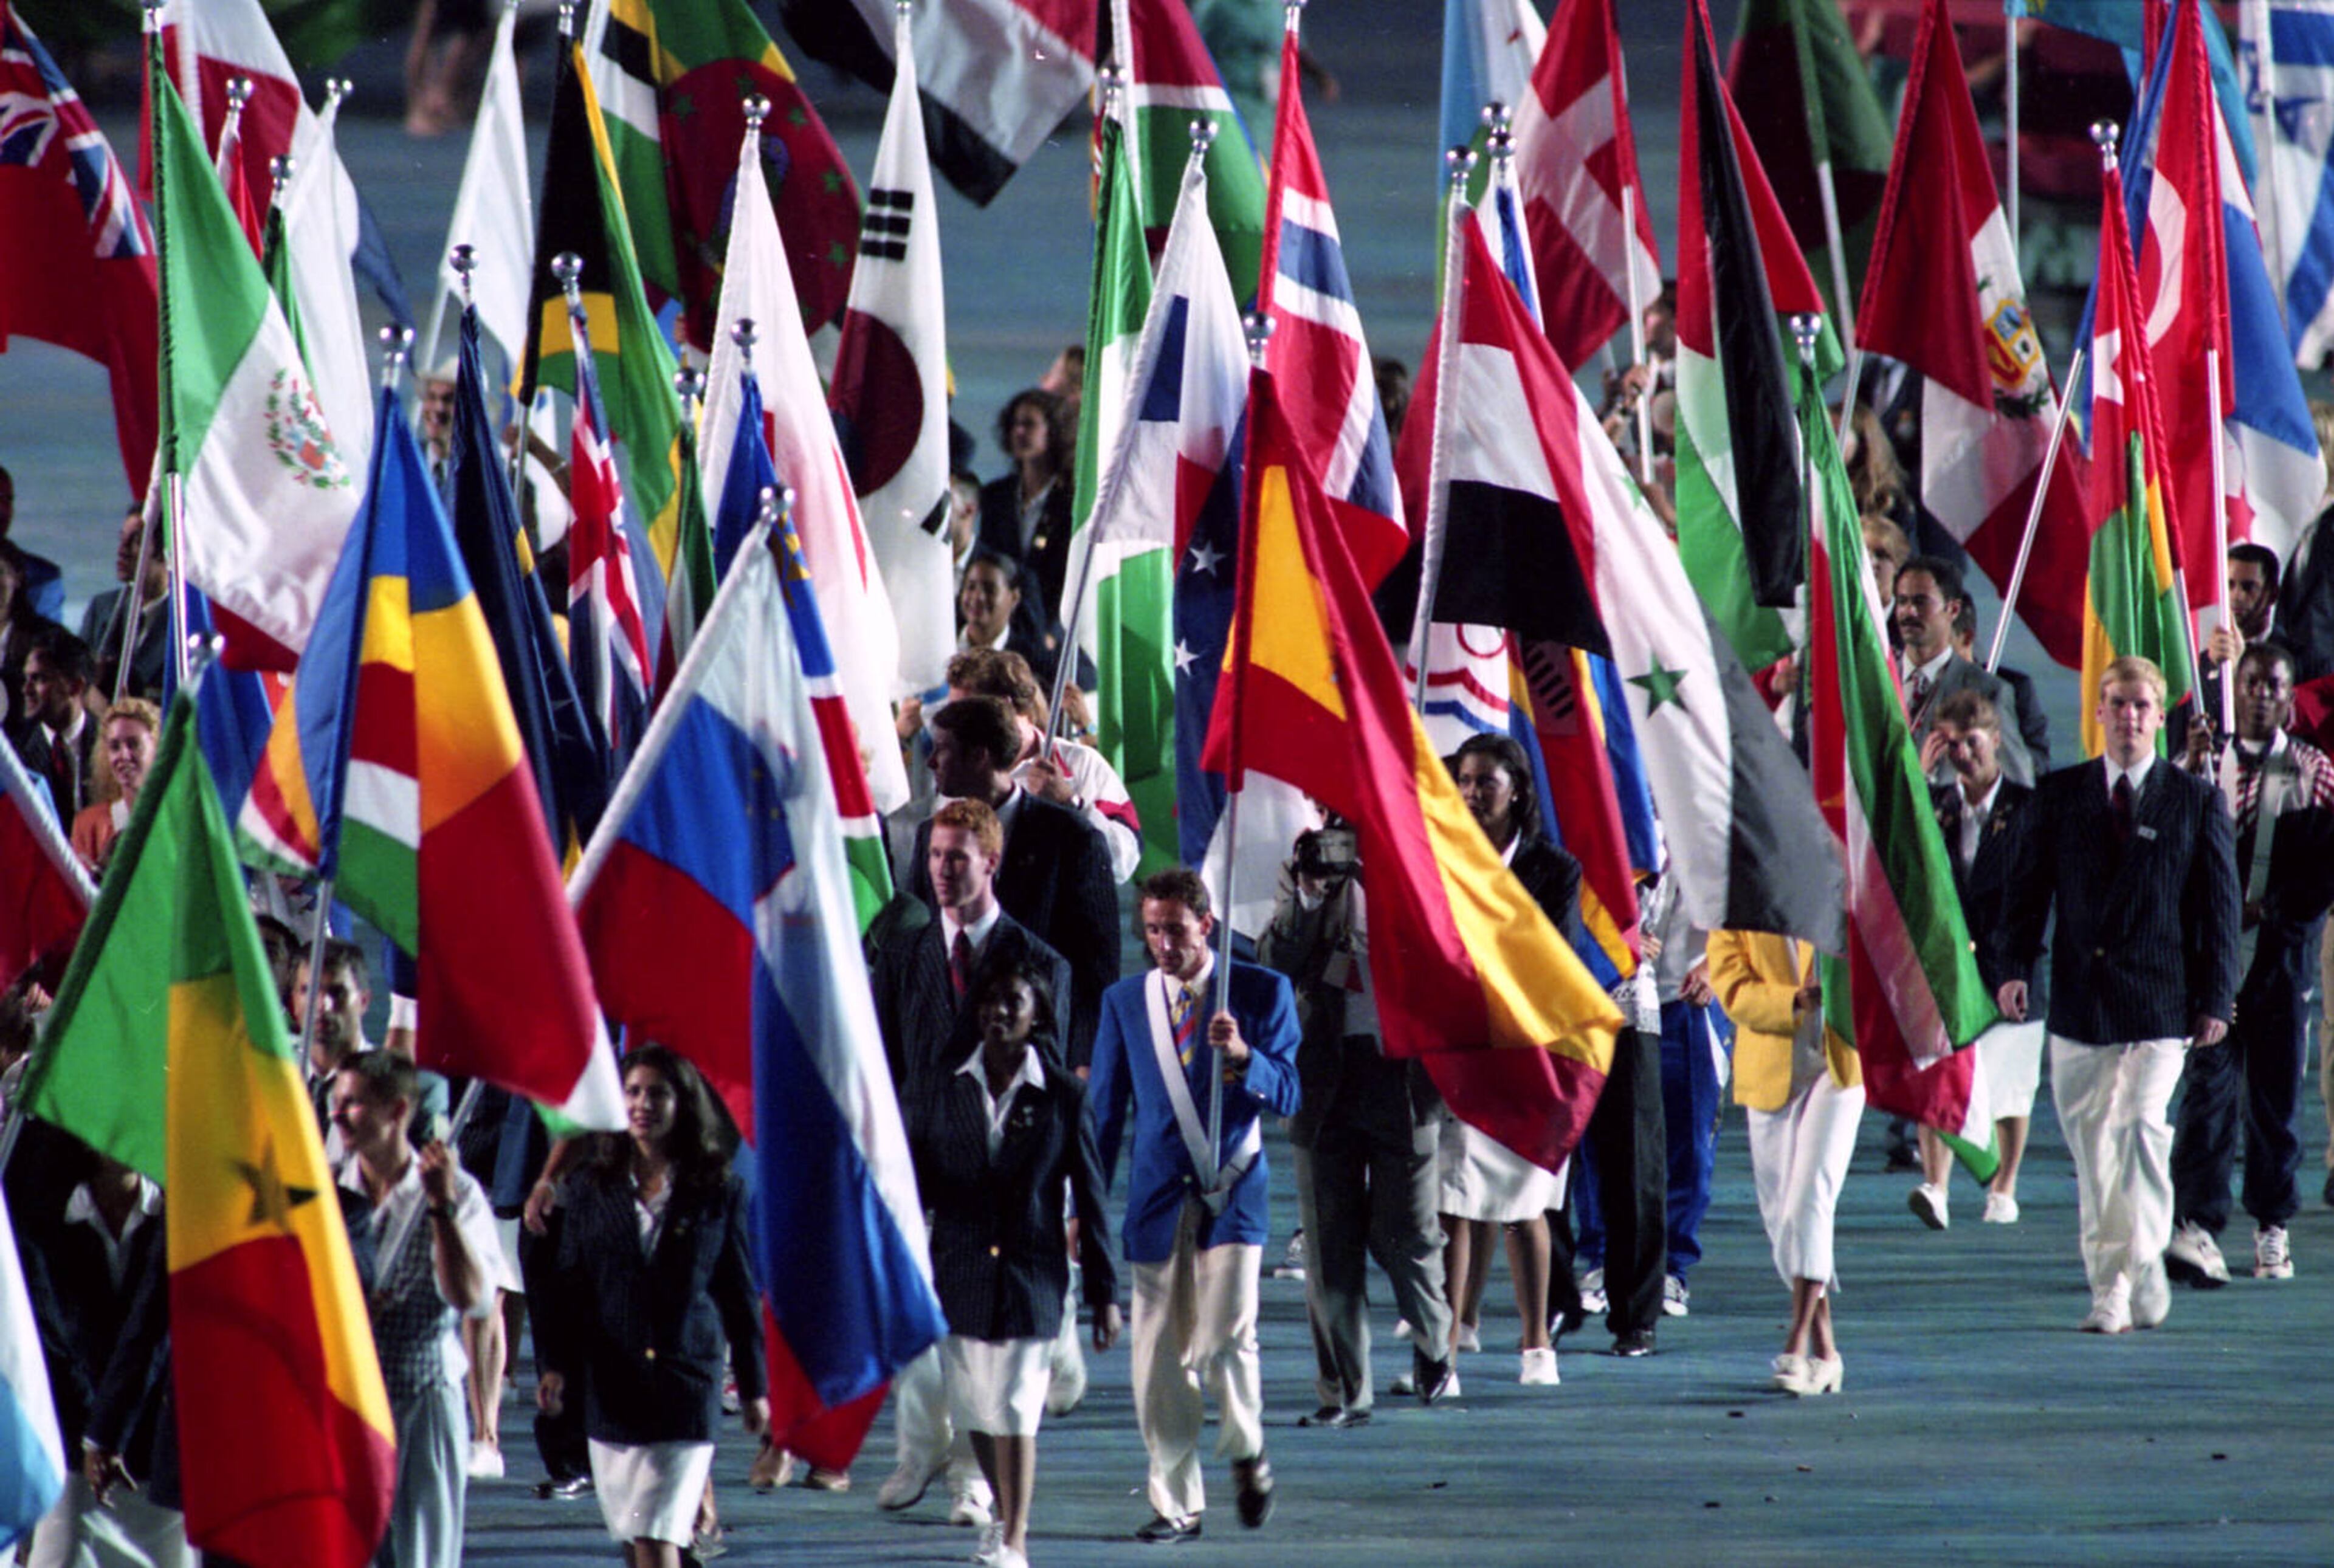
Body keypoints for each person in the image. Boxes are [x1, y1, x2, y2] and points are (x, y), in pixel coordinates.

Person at [1997, 656, 2241, 1334]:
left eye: (2142, 706)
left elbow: (2218, 910)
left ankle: (2140, 1261)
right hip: (2081, 1005)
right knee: (2095, 1153)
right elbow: (2026, 892)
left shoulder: (2194, 800)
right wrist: (2015, 966)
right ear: (2098, 712)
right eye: (2118, 704)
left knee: (2139, 1126)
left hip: (2160, 1003)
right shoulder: (2061, 795)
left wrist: (2217, 997)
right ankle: (2110, 1286)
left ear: (2159, 717)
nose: (2130, 717)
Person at [870, 796, 1072, 1531]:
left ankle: (972, 1482)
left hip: (999, 1184)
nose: (942, 871)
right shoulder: (905, 954)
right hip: (917, 1169)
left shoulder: (1039, 963)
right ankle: (923, 1447)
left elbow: (1053, 1091)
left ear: (991, 860)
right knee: (922, 1333)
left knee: (980, 1339)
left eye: (957, 857)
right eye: (932, 857)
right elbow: (884, 1063)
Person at [1089, 869, 1300, 1543]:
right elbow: (1103, 1116)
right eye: (1152, 930)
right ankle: (1175, 1502)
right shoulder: (1126, 1003)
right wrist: (1079, 1206)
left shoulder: (1263, 992)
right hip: (1155, 1201)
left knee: (1226, 1337)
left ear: (1205, 924)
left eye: (1175, 929)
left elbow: (1292, 1092)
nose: (1162, 944)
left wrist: (1245, 1056)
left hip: (1234, 1191)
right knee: (1156, 1359)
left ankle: (1246, 1448)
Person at [907, 960, 1123, 1568]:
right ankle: (1003, 1519)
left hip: (1032, 1274)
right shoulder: (944, 1087)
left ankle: (1015, 1541)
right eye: (990, 1002)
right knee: (976, 1410)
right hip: (961, 1269)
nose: (998, 1013)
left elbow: (1093, 1195)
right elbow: (918, 1184)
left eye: (1013, 1003)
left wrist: (1105, 1293)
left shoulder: (1065, 1096)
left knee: (1016, 1407)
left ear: (1039, 1017)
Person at [529, 1047, 768, 1568]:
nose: (642, 1104)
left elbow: (737, 1292)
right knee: (636, 1544)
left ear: (683, 1104)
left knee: (657, 1537)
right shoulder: (592, 1189)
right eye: (632, 1092)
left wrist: (754, 1389)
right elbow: (568, 1289)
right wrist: (553, 1366)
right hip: (613, 1394)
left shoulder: (719, 1190)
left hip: (687, 1390)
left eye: (657, 1093)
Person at [1258, 822, 1456, 1424]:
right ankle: (1345, 1391)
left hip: (1404, 1075)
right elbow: (1276, 961)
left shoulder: (1426, 854)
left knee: (1407, 1233)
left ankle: (1433, 1342)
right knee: (1328, 1242)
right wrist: (1313, 892)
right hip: (1325, 1075)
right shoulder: (1307, 862)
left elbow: (1454, 955)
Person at [2165, 642, 2334, 1284]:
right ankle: (2198, 1222)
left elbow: (2324, 866)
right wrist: (2189, 766)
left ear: (2292, 699)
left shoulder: (2315, 772)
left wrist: (2278, 911)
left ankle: (2272, 1225)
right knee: (2207, 1093)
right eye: (2252, 682)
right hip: (2212, 960)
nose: (2262, 694)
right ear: (2233, 691)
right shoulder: (2206, 768)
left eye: (2275, 685)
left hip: (2279, 961)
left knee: (2274, 1097)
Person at [1435, 737, 1577, 1375]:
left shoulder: (1555, 869)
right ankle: (1449, 1334)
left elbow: (1555, 960)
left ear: (1516, 788)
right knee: (1455, 1196)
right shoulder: (1443, 859)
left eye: (1484, 782)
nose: (1471, 794)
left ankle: (1535, 1343)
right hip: (1461, 1049)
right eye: (1462, 781)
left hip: (1529, 1056)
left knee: (1524, 1206)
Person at [331, 1051, 500, 1568]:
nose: (337, 1115)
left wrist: (441, 1209)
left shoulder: (458, 1191)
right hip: (348, 1407)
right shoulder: (328, 1190)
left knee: (421, 1555)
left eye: (354, 1103)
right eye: (336, 1102)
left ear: (398, 1111)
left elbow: (472, 1298)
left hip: (421, 1404)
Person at [911, 696, 1118, 1068]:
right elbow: (920, 945)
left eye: (942, 750)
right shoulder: (931, 835)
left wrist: (1085, 1063)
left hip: (1040, 1055)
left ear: (979, 756)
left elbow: (1096, 968)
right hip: (948, 1059)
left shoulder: (1072, 838)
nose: (931, 762)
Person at [18, 1142, 193, 1568]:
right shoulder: (44, 1220)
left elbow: (164, 1334)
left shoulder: (178, 1220)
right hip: (74, 1458)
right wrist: (96, 1436)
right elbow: (53, 1344)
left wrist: (117, 1429)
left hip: (158, 1459)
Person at [1708, 927, 1863, 1396]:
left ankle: (1795, 1345)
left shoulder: (1844, 874)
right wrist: (1793, 999)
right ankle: (1828, 1352)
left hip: (1841, 1064)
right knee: (1783, 1221)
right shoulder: (1739, 898)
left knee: (1809, 1198)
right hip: (1770, 1068)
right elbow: (1732, 987)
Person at [1913, 692, 2048, 1228]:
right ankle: (1937, 1185)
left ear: (1996, 740)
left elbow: (2039, 891)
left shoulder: (2029, 805)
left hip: (2010, 962)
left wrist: (2021, 964)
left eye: (1974, 742)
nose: (1965, 754)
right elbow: (1909, 854)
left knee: (2011, 1088)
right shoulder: (1938, 805)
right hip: (1949, 967)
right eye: (1953, 744)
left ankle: (2003, 1187)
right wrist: (1920, 782)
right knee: (1937, 1075)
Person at [946, 647, 1142, 882]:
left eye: (965, 713)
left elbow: (1124, 862)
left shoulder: (1082, 763)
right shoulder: (956, 771)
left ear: (1004, 707)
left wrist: (1070, 804)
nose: (955, 726)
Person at [1895, 556, 2034, 789]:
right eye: (1903, 601)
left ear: (1953, 609)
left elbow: (2019, 786)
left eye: (1921, 602)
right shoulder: (1872, 682)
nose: (1909, 612)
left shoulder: (1988, 692)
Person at [976, 389, 1075, 616]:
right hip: (1001, 620)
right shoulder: (995, 495)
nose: (1019, 432)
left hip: (1053, 624)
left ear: (1053, 432)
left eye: (1029, 424)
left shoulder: (1070, 501)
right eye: (1015, 424)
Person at [78, 504, 169, 701]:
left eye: (136, 541)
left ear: (165, 551)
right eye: (122, 539)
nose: (122, 550)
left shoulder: (185, 619)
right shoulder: (102, 609)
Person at [10, 625, 100, 816]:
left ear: (75, 687)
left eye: (39, 679)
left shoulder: (111, 744)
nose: (26, 690)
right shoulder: (15, 755)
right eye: (26, 678)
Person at [68, 696, 157, 875]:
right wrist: (100, 872)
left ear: (157, 747)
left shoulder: (178, 817)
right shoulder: (88, 826)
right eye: (115, 747)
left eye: (134, 745)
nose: (124, 755)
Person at [957, 549, 1064, 692]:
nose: (977, 597)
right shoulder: (941, 644)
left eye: (989, 590)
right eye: (971, 587)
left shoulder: (1034, 663)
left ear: (1014, 598)